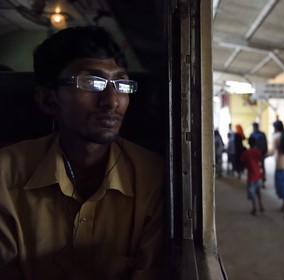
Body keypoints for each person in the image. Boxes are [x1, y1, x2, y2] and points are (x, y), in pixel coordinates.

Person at [0, 26, 165, 279]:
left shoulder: (153, 177)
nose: (112, 100)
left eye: (121, 83)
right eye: (91, 82)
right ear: (47, 100)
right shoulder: (5, 173)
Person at [240, 137, 264, 215]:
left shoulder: (246, 153)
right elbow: (261, 160)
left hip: (251, 176)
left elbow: (242, 160)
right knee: (258, 191)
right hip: (258, 174)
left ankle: (254, 208)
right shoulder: (258, 152)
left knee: (252, 192)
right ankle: (260, 205)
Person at [249, 122, 268, 187]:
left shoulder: (253, 134)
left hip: (257, 154)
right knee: (261, 167)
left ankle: (260, 181)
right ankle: (261, 181)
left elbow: (250, 145)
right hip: (260, 153)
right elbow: (266, 144)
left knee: (257, 167)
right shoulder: (262, 134)